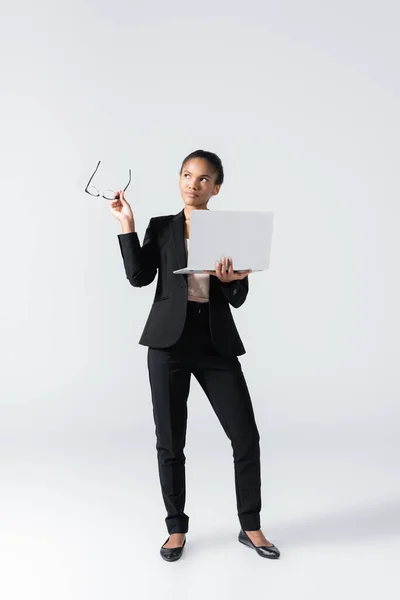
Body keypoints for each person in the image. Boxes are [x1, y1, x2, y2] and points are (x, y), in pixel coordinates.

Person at [110, 149, 280, 561]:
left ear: (216, 188)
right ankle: (176, 528)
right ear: (179, 179)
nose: (193, 183)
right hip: (167, 346)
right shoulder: (163, 227)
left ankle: (251, 525)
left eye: (204, 179)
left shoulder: (227, 231)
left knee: (245, 436)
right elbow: (138, 278)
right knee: (170, 442)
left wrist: (233, 279)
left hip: (214, 344)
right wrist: (127, 225)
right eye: (187, 175)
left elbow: (236, 298)